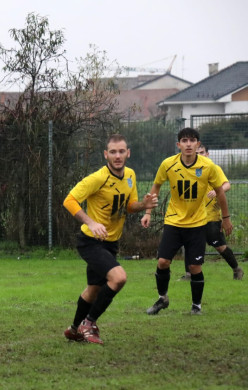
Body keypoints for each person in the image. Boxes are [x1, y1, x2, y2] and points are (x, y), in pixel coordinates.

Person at [62, 134, 157, 344]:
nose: (117, 156)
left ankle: (74, 329)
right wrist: (91, 222)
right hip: (91, 241)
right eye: (113, 152)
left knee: (93, 290)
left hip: (111, 242)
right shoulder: (98, 178)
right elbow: (69, 200)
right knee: (119, 277)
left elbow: (130, 205)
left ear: (128, 153)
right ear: (106, 154)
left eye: (121, 151)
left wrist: (144, 206)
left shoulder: (130, 175)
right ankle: (89, 323)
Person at [142, 128, 233, 315]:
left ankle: (196, 306)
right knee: (162, 262)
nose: (189, 144)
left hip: (198, 224)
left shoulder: (208, 166)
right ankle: (162, 299)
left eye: (192, 140)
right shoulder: (168, 164)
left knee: (194, 266)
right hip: (173, 222)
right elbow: (156, 187)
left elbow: (221, 192)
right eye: (185, 140)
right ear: (179, 145)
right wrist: (148, 212)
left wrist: (226, 218)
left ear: (198, 144)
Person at [177, 145, 243, 281]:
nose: (200, 155)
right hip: (194, 216)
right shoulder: (192, 170)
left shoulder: (214, 168)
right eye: (198, 153)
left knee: (219, 246)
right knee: (189, 243)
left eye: (202, 152)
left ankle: (237, 269)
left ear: (208, 153)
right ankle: (189, 274)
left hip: (211, 217)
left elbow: (227, 185)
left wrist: (218, 191)